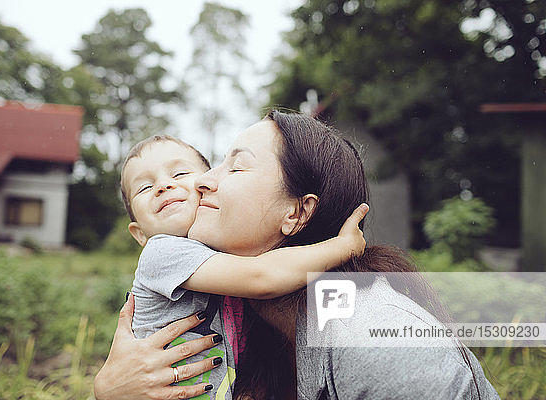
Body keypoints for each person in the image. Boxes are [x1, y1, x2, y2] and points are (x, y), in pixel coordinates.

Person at [95, 111, 499, 399]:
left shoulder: (373, 340)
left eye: (235, 168)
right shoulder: (240, 310)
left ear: (298, 212)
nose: (201, 183)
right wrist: (110, 391)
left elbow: (264, 275)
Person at [117, 134, 368, 399]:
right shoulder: (162, 251)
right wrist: (342, 247)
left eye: (179, 173)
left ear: (205, 187)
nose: (163, 186)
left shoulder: (219, 253)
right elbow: (262, 276)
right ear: (139, 234)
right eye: (144, 188)